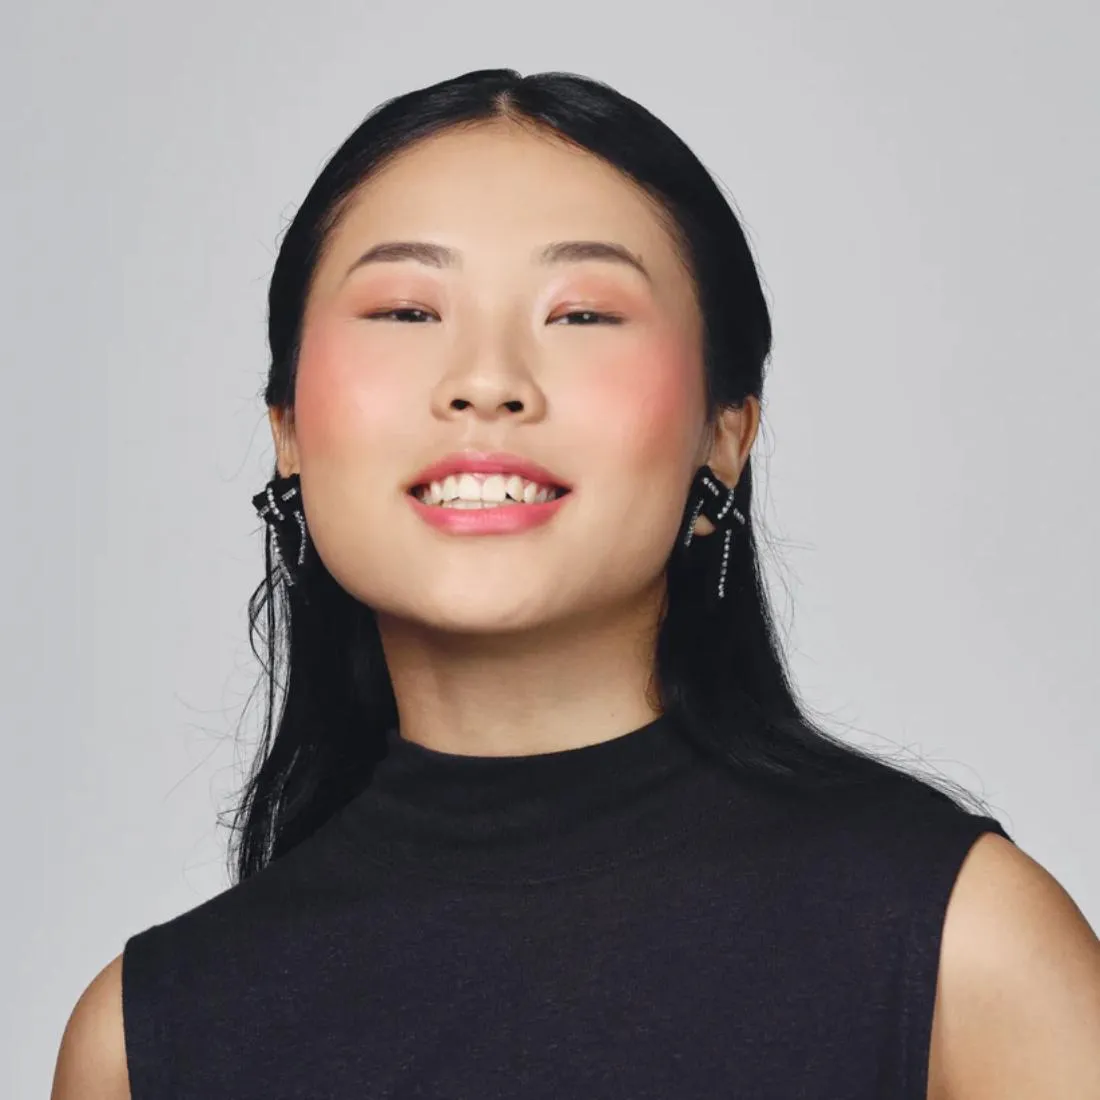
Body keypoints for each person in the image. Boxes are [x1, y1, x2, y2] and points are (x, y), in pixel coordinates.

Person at [51, 68, 1100, 1099]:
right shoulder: (148, 1039)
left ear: (725, 433)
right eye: (406, 311)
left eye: (583, 315)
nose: (487, 381)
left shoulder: (963, 950)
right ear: (287, 428)